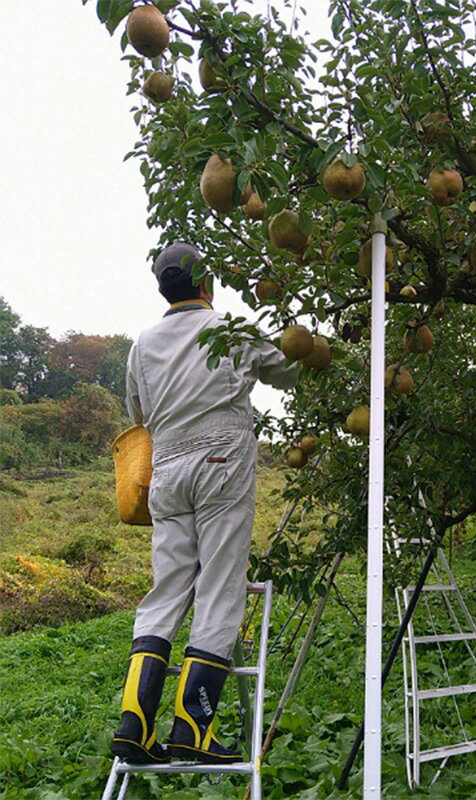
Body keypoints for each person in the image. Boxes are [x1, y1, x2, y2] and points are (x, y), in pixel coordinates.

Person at [111, 242, 298, 765]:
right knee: (218, 587)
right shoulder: (231, 329)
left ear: (161, 287)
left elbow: (138, 411)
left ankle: (136, 725)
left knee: (167, 589)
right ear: (206, 284)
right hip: (221, 465)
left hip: (166, 471)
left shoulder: (143, 344)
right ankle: (193, 729)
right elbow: (288, 370)